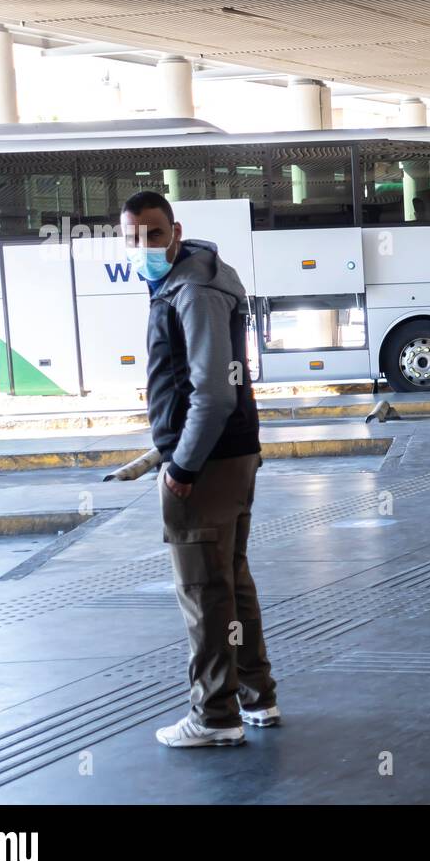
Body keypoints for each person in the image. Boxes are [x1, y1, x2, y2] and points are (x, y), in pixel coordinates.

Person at [121, 191, 278, 748]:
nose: (144, 246)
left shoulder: (192, 290)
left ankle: (214, 715)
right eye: (133, 237)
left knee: (203, 590)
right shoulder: (192, 281)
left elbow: (212, 393)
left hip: (208, 463)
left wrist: (182, 464)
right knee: (230, 581)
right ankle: (257, 697)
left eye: (154, 234)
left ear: (177, 230)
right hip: (228, 455)